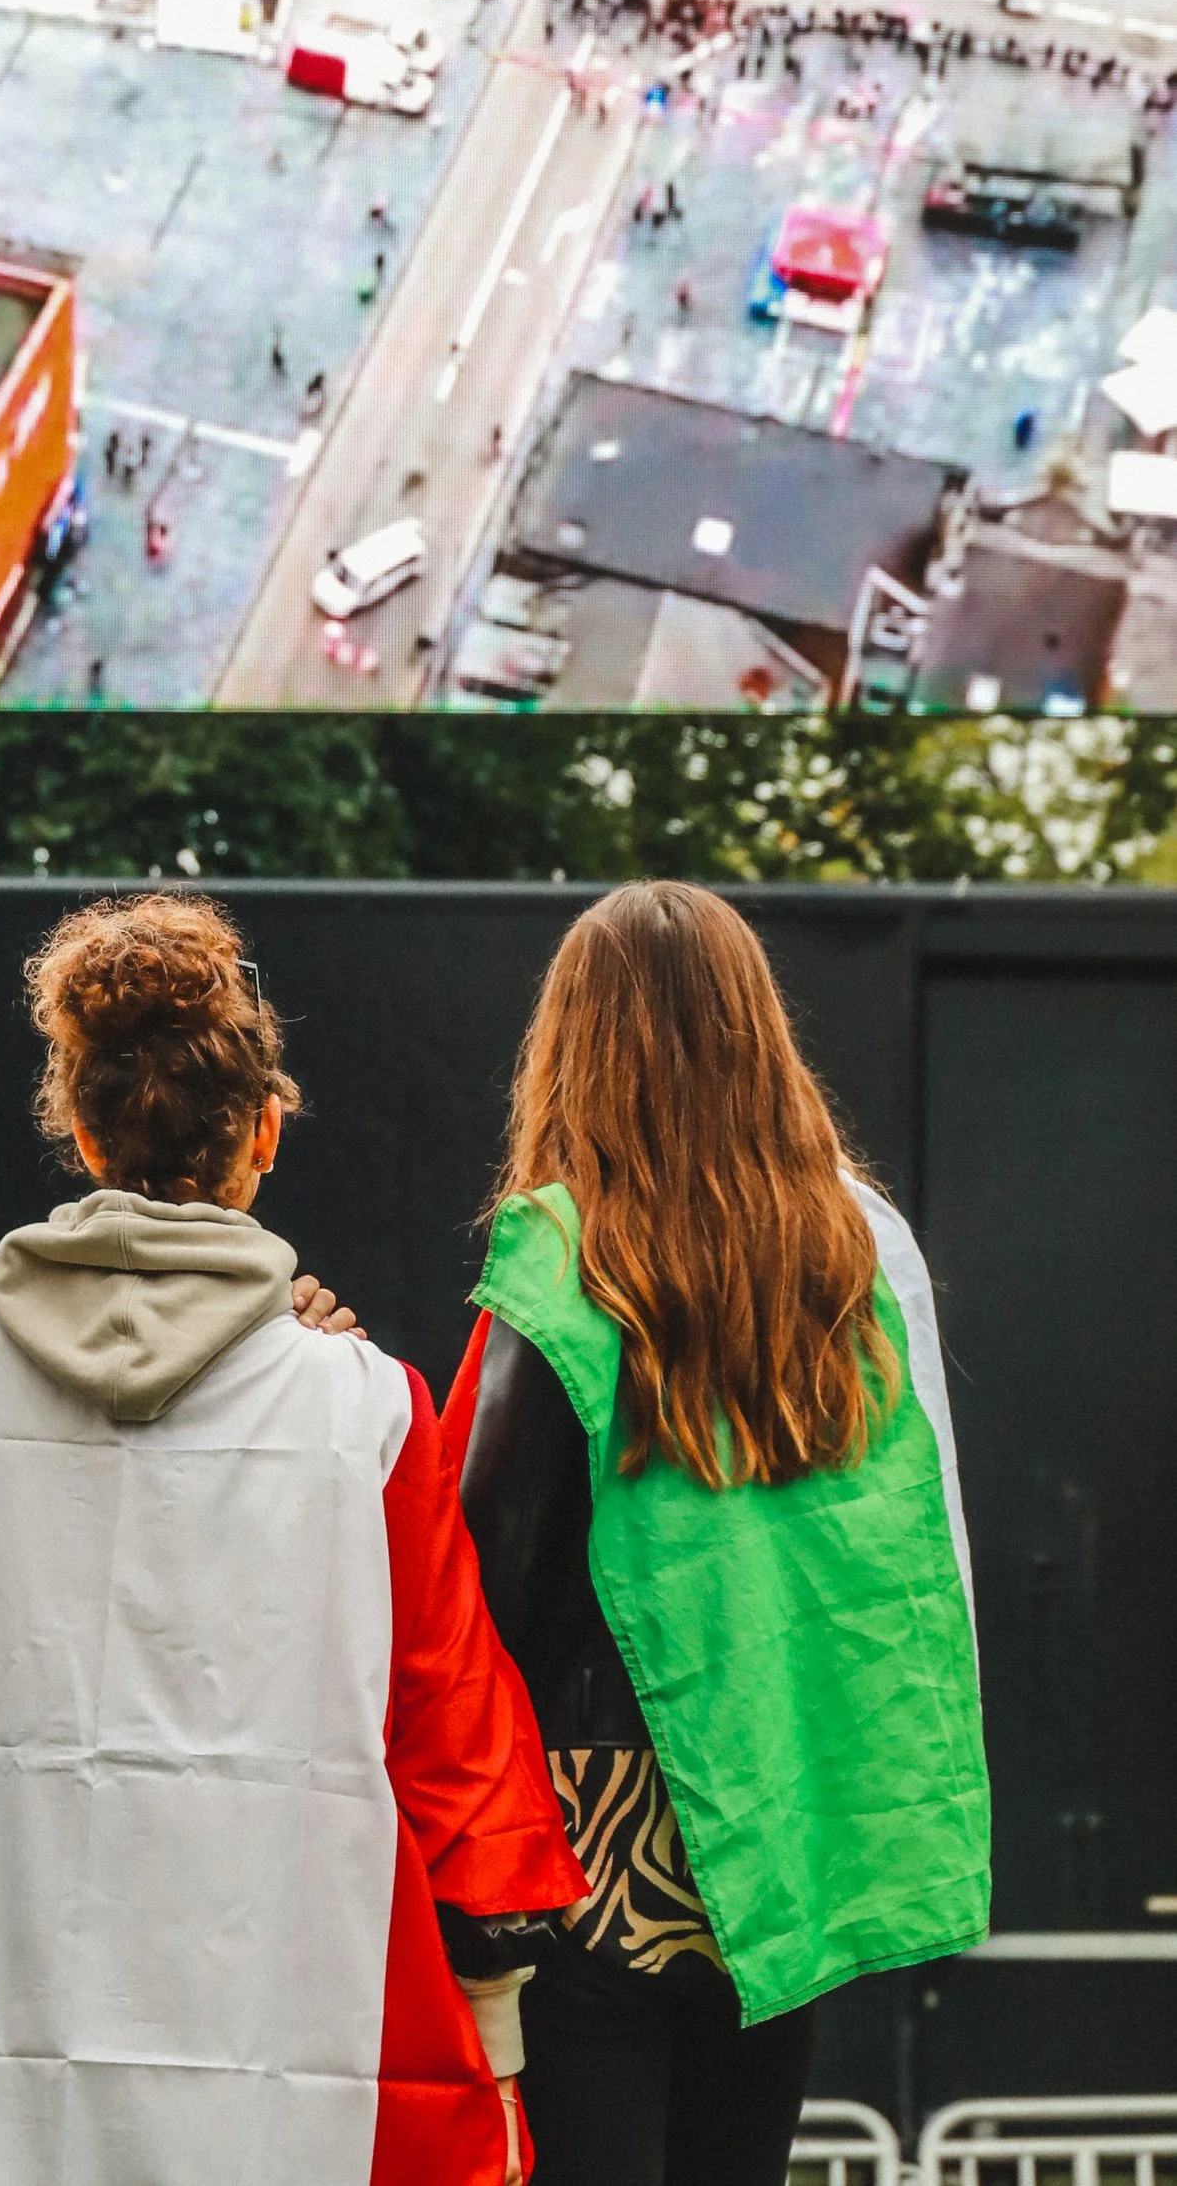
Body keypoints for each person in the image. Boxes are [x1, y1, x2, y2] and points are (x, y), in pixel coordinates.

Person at [0, 894, 584, 2186]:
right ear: (266, 1129)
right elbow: (452, 1717)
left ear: (80, 1126)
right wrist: (499, 2004)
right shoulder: (365, 1404)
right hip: (278, 2051)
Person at [449, 884, 988, 2186]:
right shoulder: (855, 1241)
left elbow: (484, 1587)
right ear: (759, 1035)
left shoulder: (563, 1252)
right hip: (783, 1807)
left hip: (593, 1837)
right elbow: (925, 1553)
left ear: (575, 1043)